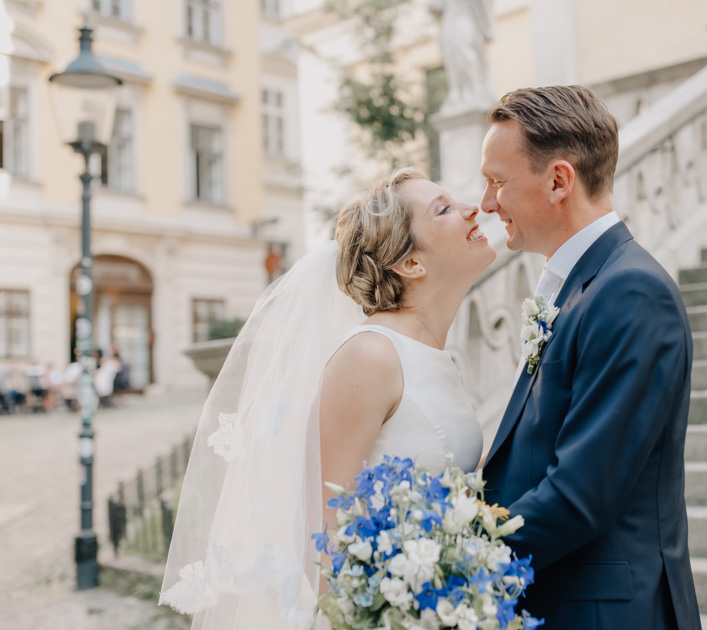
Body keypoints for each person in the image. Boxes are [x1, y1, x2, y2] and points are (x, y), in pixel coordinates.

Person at [161, 168, 496, 628]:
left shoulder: (433, 353)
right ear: (411, 264)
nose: (471, 208)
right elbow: (323, 536)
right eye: (444, 208)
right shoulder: (370, 356)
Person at [478, 86, 702, 630]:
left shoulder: (629, 293)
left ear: (558, 181)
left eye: (497, 182)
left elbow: (581, 494)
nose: (487, 203)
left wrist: (454, 555)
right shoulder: (580, 284)